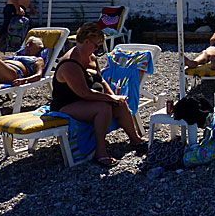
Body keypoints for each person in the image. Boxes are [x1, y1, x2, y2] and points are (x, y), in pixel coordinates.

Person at [50, 22, 146, 166]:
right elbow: (85, 93)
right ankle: (100, 150)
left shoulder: (91, 58)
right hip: (67, 104)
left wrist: (113, 96)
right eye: (96, 45)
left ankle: (135, 139)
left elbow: (100, 80)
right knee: (103, 108)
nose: (97, 49)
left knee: (119, 104)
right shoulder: (70, 64)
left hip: (88, 100)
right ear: (86, 41)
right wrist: (109, 98)